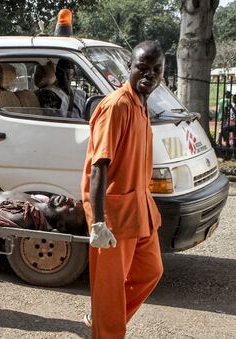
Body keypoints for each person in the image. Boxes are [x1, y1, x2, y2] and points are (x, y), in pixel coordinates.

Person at [81, 40, 165, 338]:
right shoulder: (117, 106)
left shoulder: (142, 105)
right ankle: (107, 326)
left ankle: (105, 319)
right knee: (108, 290)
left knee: (150, 271)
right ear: (129, 68)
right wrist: (99, 222)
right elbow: (98, 167)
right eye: (142, 67)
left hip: (140, 210)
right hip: (114, 217)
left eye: (156, 70)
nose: (149, 74)